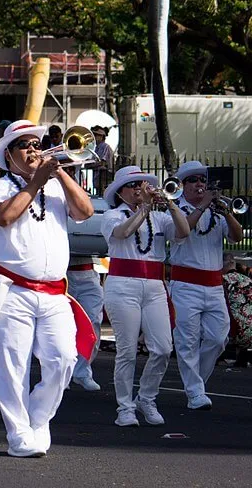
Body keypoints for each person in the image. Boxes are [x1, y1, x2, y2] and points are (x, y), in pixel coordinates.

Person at [0, 120, 95, 457]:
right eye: (26, 145)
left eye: (37, 143)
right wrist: (36, 182)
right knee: (12, 365)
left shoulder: (56, 186)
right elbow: (4, 217)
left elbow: (86, 211)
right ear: (9, 155)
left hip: (54, 293)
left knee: (64, 360)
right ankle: (17, 433)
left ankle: (39, 417)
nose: (35, 149)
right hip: (11, 289)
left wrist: (58, 174)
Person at [101, 166, 189, 426]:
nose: (140, 189)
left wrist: (171, 204)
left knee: (163, 348)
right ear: (121, 192)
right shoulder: (112, 215)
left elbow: (184, 232)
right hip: (123, 285)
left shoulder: (159, 218)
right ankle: (125, 407)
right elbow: (123, 233)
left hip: (153, 286)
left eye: (143, 184)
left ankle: (147, 398)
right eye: (134, 185)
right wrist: (145, 208)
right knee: (127, 350)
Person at [169, 161, 243, 410]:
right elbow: (184, 231)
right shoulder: (176, 208)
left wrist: (227, 212)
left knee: (218, 338)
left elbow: (237, 236)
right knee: (187, 340)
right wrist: (202, 206)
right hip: (185, 284)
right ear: (183, 186)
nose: (200, 184)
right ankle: (195, 393)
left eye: (203, 180)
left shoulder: (215, 210)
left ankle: (195, 384)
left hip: (212, 285)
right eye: (193, 180)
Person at [67, 255, 105, 392]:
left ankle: (82, 372)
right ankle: (62, 372)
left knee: (92, 323)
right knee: (62, 326)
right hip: (60, 272)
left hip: (88, 274)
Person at [223, 254, 252, 368]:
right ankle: (242, 357)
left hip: (234, 328)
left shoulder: (223, 280)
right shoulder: (248, 280)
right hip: (248, 325)